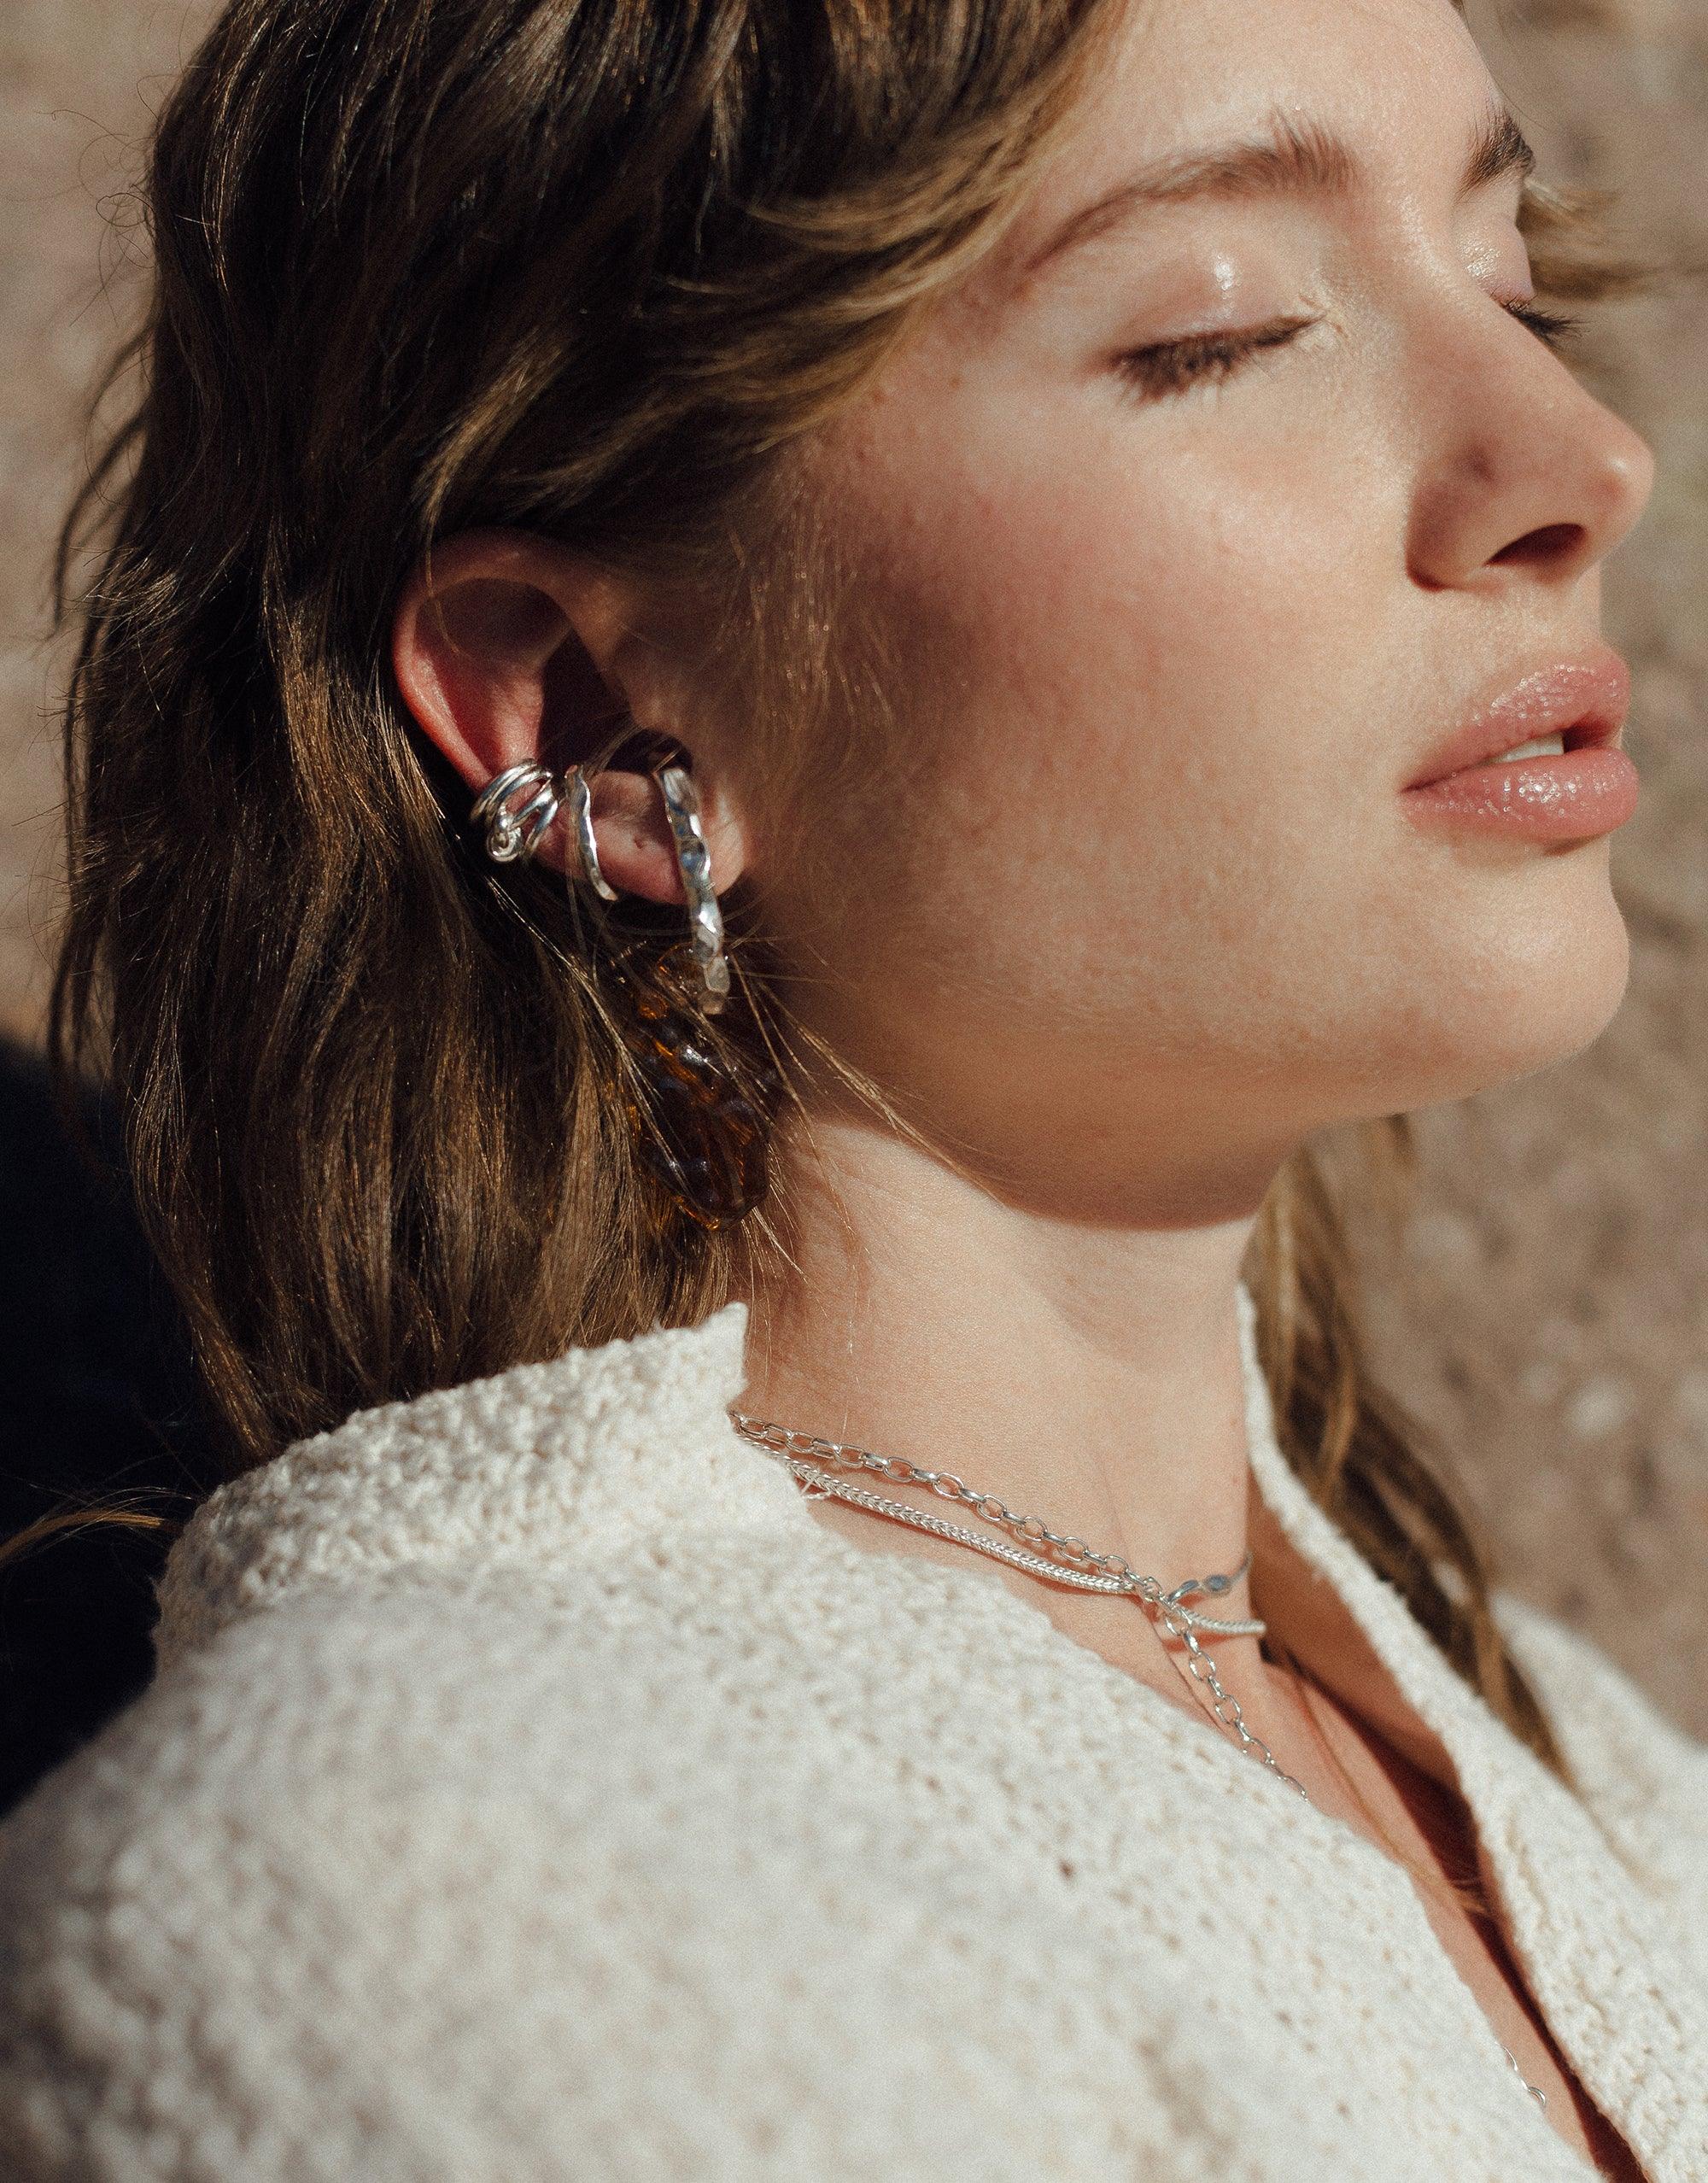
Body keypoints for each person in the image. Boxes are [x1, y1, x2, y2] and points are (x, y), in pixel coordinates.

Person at [2, 0, 1701, 2174]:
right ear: (594, 707)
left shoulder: (1606, 1801)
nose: (1574, 457)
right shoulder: (428, 1898)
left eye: (1508, 274)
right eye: (1222, 332)